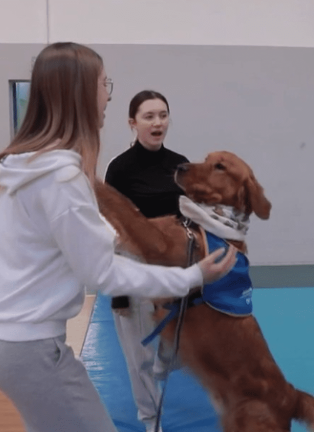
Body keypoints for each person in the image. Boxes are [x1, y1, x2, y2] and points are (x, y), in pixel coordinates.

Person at [0, 42, 237, 432]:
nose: (107, 95)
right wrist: (192, 277)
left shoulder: (34, 164)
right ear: (81, 93)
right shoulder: (59, 177)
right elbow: (104, 272)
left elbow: (73, 236)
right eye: (103, 84)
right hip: (29, 348)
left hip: (12, 343)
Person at [103, 90, 188, 432]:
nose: (157, 123)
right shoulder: (120, 169)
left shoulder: (180, 164)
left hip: (174, 266)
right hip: (133, 266)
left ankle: (160, 371)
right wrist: (119, 288)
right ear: (132, 123)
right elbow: (110, 226)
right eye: (149, 116)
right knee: (139, 355)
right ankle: (151, 419)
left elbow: (191, 217)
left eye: (162, 115)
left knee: (177, 348)